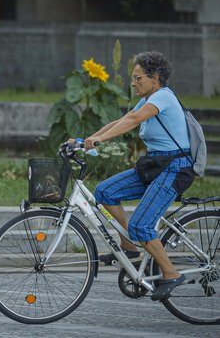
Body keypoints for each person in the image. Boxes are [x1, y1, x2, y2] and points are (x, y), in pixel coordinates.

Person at [81, 51, 194, 301]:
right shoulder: (149, 97)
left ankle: (171, 273)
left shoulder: (163, 97)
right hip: (155, 165)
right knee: (105, 192)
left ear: (155, 77)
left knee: (141, 225)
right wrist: (87, 140)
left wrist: (100, 139)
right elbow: (121, 120)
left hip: (176, 167)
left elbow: (133, 120)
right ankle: (129, 248)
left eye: (137, 77)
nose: (133, 83)